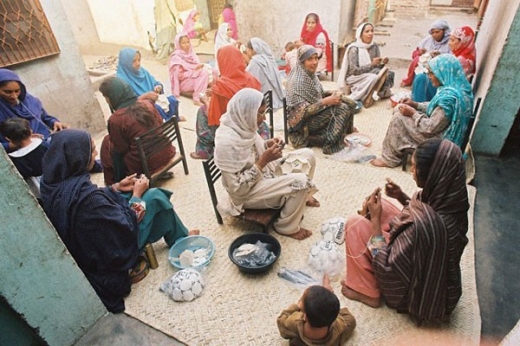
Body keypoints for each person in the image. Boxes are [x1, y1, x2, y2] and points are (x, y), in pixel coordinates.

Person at [40, 129, 195, 313]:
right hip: (110, 254)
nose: (96, 154)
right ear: (77, 157)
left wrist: (115, 188)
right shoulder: (89, 200)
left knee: (128, 193)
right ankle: (181, 239)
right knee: (154, 196)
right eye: (92, 150)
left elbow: (93, 203)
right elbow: (125, 226)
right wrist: (137, 195)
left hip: (88, 247)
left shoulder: (51, 183)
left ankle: (179, 235)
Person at [342, 138, 469, 324]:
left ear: (432, 175)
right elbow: (423, 214)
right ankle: (374, 218)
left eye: (415, 167)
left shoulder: (420, 226)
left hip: (413, 292)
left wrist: (375, 221)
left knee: (354, 225)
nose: (412, 170)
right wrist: (401, 197)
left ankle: (367, 291)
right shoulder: (453, 201)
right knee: (383, 206)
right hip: (432, 270)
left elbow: (387, 268)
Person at [214, 88, 320, 240]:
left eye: (264, 112)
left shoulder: (244, 125)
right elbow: (237, 190)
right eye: (260, 113)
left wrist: (267, 145)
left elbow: (252, 151)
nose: (263, 118)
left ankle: (301, 197)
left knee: (308, 155)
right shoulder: (227, 142)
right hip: (246, 195)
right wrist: (263, 161)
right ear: (246, 113)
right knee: (300, 182)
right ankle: (286, 226)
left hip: (262, 174)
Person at [371, 54, 473, 168]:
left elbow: (429, 128)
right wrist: (415, 105)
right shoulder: (459, 89)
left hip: (440, 140)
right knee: (399, 110)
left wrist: (413, 113)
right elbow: (434, 107)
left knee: (398, 118)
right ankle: (395, 148)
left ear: (443, 73)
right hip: (444, 129)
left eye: (432, 73)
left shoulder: (448, 100)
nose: (429, 76)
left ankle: (389, 159)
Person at [191, 45, 266, 160]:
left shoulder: (222, 86)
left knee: (202, 112)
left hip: (235, 130)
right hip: (254, 123)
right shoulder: (251, 79)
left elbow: (217, 115)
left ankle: (205, 150)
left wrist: (206, 101)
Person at [99, 77, 176, 185]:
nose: (106, 100)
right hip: (165, 152)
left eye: (106, 97)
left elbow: (121, 149)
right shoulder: (147, 104)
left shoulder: (116, 119)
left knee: (107, 143)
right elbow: (160, 125)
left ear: (113, 96)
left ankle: (115, 183)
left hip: (145, 165)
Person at [285, 45, 356, 155]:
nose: (314, 62)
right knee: (342, 109)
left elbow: (317, 94)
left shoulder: (310, 74)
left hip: (313, 113)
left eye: (316, 58)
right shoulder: (297, 81)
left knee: (349, 102)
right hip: (301, 126)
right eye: (310, 59)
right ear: (302, 62)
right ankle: (330, 146)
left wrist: (331, 93)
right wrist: (326, 101)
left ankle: (344, 132)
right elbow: (301, 113)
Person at [0, 69, 68, 152]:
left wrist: (55, 122)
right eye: (7, 92)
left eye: (17, 91)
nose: (14, 96)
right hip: (23, 153)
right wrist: (14, 145)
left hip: (46, 142)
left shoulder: (29, 101)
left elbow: (45, 117)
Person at [277, 274, 357, 345]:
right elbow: (350, 320)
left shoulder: (295, 321)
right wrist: (329, 297)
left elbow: (281, 323)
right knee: (347, 320)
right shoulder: (338, 325)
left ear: (304, 316)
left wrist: (297, 306)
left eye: (302, 300)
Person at [337, 22, 395, 108]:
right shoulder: (354, 49)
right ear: (360, 34)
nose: (370, 33)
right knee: (374, 78)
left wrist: (382, 62)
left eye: (372, 31)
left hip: (370, 72)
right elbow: (354, 70)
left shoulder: (374, 46)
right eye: (367, 31)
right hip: (354, 77)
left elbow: (378, 67)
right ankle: (358, 97)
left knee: (390, 73)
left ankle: (381, 93)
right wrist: (371, 64)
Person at [412, 25, 476, 102]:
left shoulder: (464, 61)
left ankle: (418, 103)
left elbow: (444, 76)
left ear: (462, 42)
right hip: (449, 85)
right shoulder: (462, 53)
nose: (449, 43)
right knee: (421, 75)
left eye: (452, 40)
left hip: (452, 91)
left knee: (421, 79)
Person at [116, 47, 182, 121]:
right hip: (138, 107)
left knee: (172, 100)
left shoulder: (142, 71)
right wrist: (145, 96)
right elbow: (126, 104)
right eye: (133, 61)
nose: (137, 63)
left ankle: (174, 119)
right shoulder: (121, 80)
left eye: (139, 60)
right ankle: (165, 124)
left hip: (153, 99)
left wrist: (158, 86)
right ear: (125, 63)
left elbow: (155, 82)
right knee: (156, 108)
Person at [0, 118, 47, 197]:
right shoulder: (45, 145)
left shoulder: (16, 160)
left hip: (41, 190)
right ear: (31, 131)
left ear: (8, 139)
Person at [168, 33, 217, 106]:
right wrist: (194, 72)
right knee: (203, 73)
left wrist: (199, 68)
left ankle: (213, 90)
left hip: (194, 78)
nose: (187, 45)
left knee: (213, 70)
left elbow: (197, 67)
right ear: (178, 44)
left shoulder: (192, 54)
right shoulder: (176, 57)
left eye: (188, 42)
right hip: (184, 83)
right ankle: (197, 98)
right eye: (183, 43)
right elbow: (178, 76)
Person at [401, 19, 451, 87]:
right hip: (426, 67)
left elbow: (452, 59)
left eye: (437, 32)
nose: (434, 35)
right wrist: (420, 53)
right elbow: (414, 54)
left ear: (444, 31)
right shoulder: (428, 40)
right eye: (432, 33)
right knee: (417, 61)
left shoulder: (451, 42)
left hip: (441, 68)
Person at [245, 37, 285, 110]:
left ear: (253, 50)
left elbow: (247, 79)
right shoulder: (270, 60)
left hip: (264, 103)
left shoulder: (255, 62)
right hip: (277, 100)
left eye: (247, 49)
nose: (246, 52)